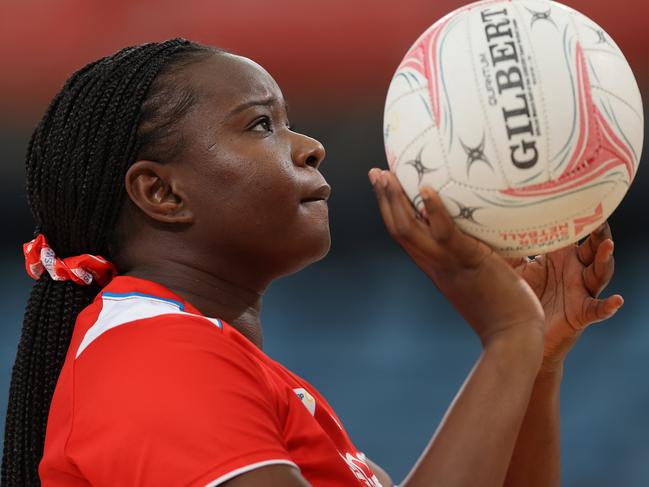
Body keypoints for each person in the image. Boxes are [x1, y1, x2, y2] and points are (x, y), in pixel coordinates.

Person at [1, 39, 622, 487]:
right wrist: (508, 336)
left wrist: (533, 363)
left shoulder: (216, 364)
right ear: (162, 193)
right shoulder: (150, 359)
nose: (311, 146)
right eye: (262, 124)